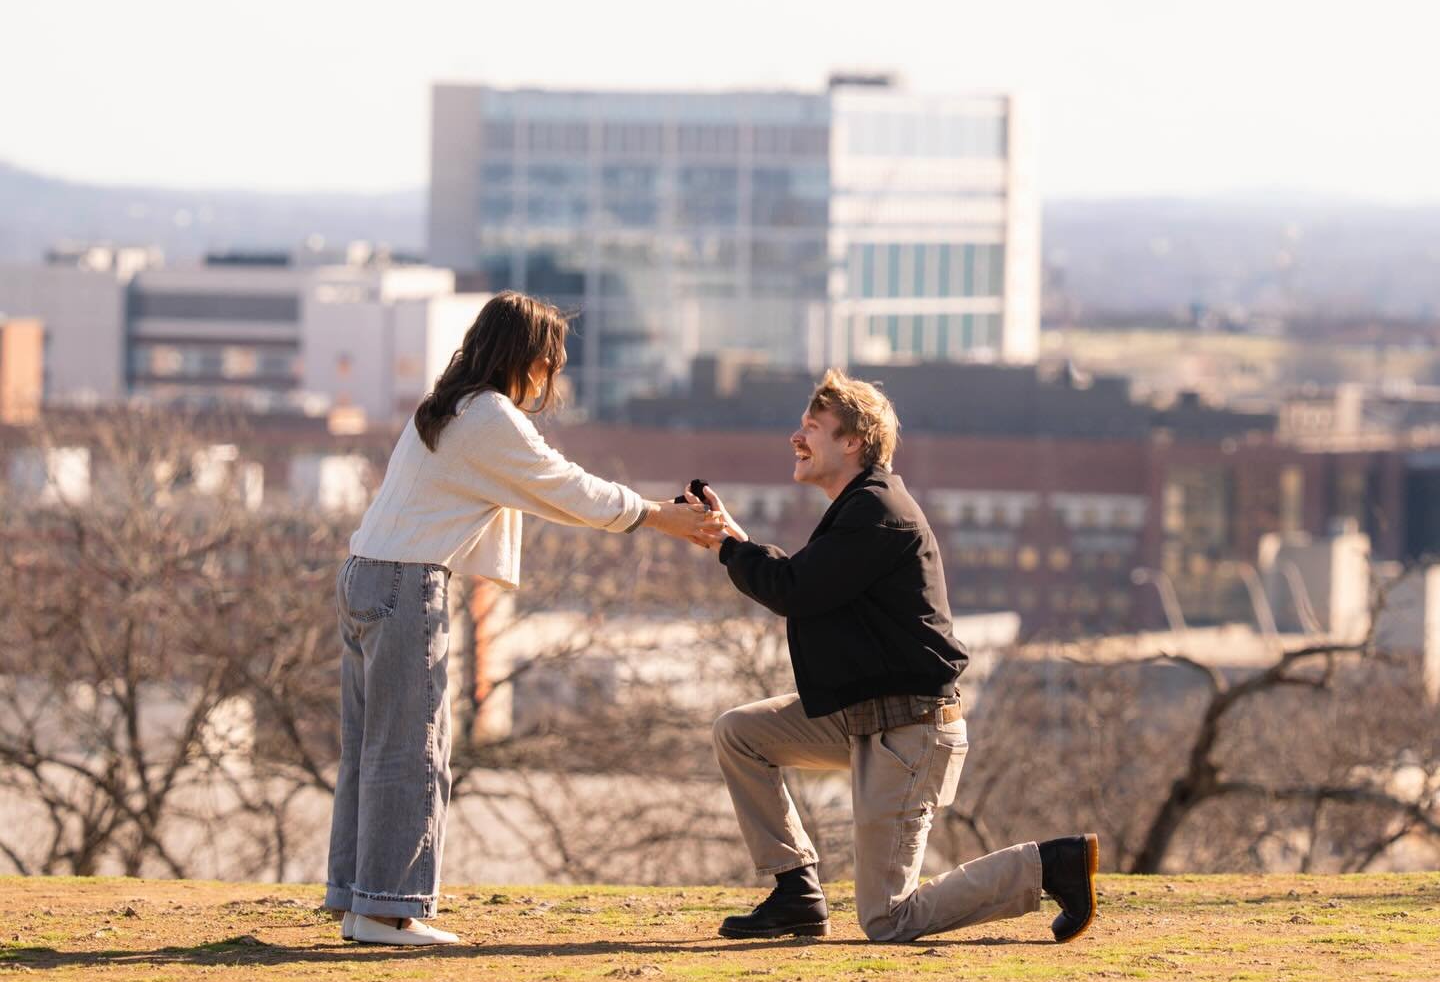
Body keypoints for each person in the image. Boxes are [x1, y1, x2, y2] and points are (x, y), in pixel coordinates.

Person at [324, 291, 723, 946]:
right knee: (413, 753)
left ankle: (359, 900)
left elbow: (543, 491)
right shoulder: (490, 417)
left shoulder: (445, 406)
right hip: (404, 583)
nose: (552, 375)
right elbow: (564, 486)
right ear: (532, 358)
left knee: (373, 749)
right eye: (552, 361)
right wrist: (658, 514)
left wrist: (654, 514)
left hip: (365, 575)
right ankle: (387, 911)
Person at [702, 369, 1100, 946]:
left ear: (852, 443)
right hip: (867, 717)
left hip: (909, 733)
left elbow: (795, 590)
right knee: (741, 734)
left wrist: (729, 546)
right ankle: (796, 891)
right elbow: (806, 584)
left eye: (812, 427)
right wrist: (734, 539)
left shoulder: (879, 510)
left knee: (889, 919)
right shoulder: (858, 509)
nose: (797, 436)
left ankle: (1049, 866)